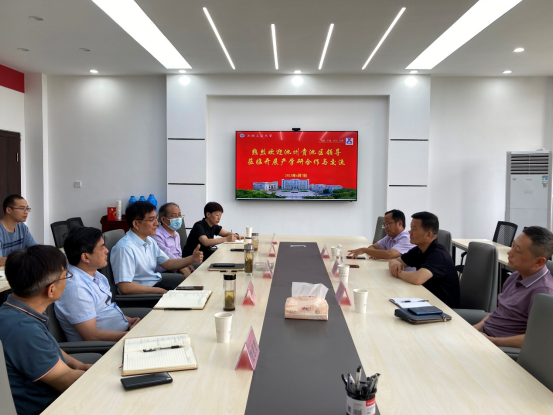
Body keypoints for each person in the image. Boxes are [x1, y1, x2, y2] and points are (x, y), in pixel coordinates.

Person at [0, 245, 94, 415]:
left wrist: (78, 365)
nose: (67, 280)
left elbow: (50, 347)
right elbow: (65, 381)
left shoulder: (15, 309)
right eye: (66, 276)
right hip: (49, 406)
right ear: (51, 289)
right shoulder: (23, 330)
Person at [54, 227, 144, 342]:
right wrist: (132, 335)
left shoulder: (96, 275)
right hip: (106, 346)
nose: (107, 250)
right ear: (85, 257)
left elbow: (105, 310)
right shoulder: (76, 288)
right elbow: (92, 336)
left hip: (122, 333)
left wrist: (130, 321)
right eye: (102, 247)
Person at [473, 226, 553, 348]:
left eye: (518, 251)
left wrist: (492, 341)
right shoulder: (516, 275)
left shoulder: (544, 292)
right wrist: (477, 327)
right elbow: (500, 311)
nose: (509, 253)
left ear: (538, 262)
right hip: (486, 337)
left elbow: (538, 339)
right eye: (512, 246)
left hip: (501, 348)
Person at [111, 201, 203, 295]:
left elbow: (169, 263)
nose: (157, 224)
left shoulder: (150, 241)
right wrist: (159, 291)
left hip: (155, 287)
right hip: (142, 296)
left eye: (156, 218)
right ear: (136, 224)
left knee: (198, 293)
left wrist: (192, 258)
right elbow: (125, 288)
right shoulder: (125, 248)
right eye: (151, 219)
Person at [388, 211, 460, 308]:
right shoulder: (419, 249)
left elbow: (417, 278)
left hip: (443, 308)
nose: (410, 232)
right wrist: (394, 264)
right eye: (410, 228)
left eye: (414, 229)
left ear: (428, 234)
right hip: (426, 300)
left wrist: (397, 272)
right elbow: (396, 260)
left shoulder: (438, 255)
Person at [348, 209, 415, 260]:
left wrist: (364, 250)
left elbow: (389, 254)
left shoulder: (407, 239)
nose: (385, 228)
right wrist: (377, 254)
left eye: (387, 224)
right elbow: (372, 247)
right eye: (384, 225)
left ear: (399, 223)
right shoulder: (389, 237)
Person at [151, 202, 194, 278]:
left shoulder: (176, 234)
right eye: (174, 215)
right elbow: (167, 257)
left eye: (179, 215)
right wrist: (182, 267)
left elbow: (178, 256)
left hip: (177, 267)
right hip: (164, 272)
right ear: (163, 219)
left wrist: (185, 264)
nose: (178, 218)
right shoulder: (156, 235)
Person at [0, 194, 37, 266]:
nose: (26, 212)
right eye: (22, 208)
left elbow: (35, 250)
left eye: (27, 209)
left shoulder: (22, 227)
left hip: (18, 268)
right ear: (8, 210)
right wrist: (23, 259)